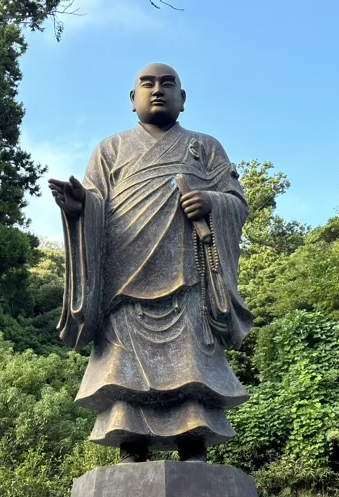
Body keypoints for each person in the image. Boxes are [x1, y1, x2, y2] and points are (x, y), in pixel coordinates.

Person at [48, 63, 252, 463]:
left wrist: (212, 202)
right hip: (124, 284)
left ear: (183, 99)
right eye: (147, 83)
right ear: (132, 99)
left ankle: (194, 450)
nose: (157, 90)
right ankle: (131, 451)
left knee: (192, 365)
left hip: (187, 277)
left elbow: (237, 203)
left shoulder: (205, 147)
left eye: (167, 84)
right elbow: (96, 204)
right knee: (125, 370)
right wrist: (79, 210)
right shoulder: (110, 150)